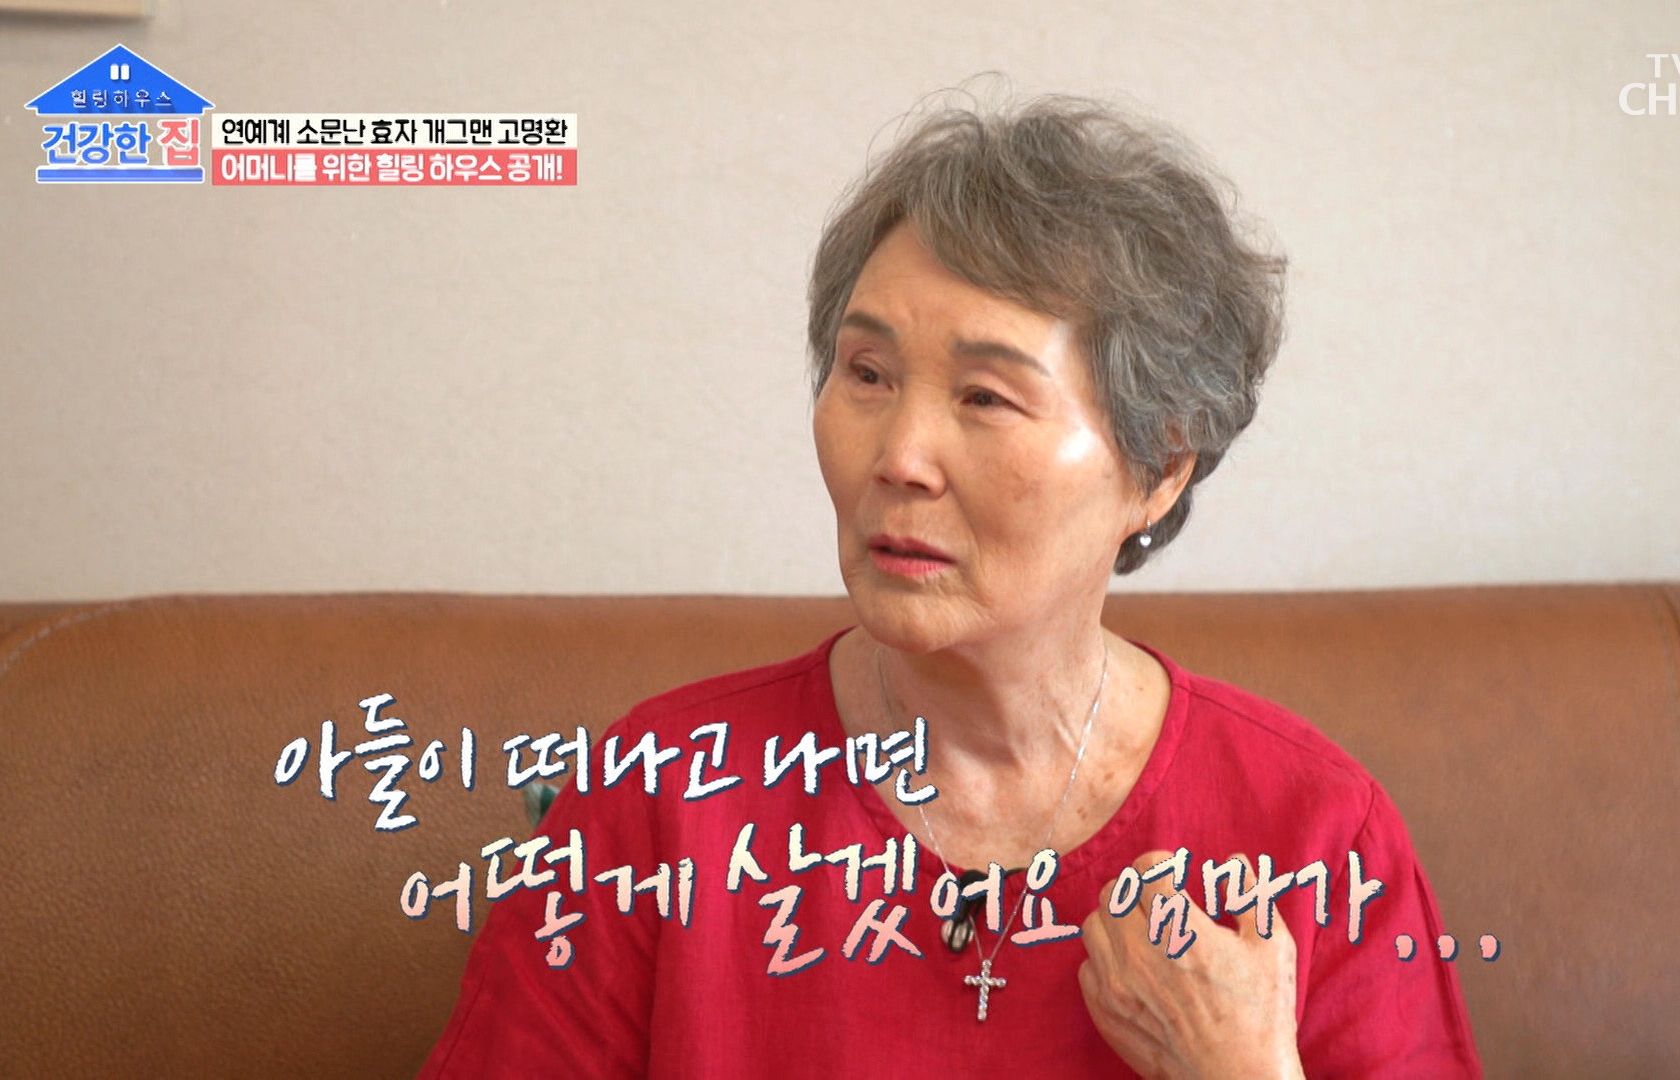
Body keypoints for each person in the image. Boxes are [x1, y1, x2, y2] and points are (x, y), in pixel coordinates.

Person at [419, 90, 1481, 1078]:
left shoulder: (1312, 833)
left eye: (984, 397)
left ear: (1158, 467)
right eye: (867, 375)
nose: (900, 458)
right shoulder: (658, 805)